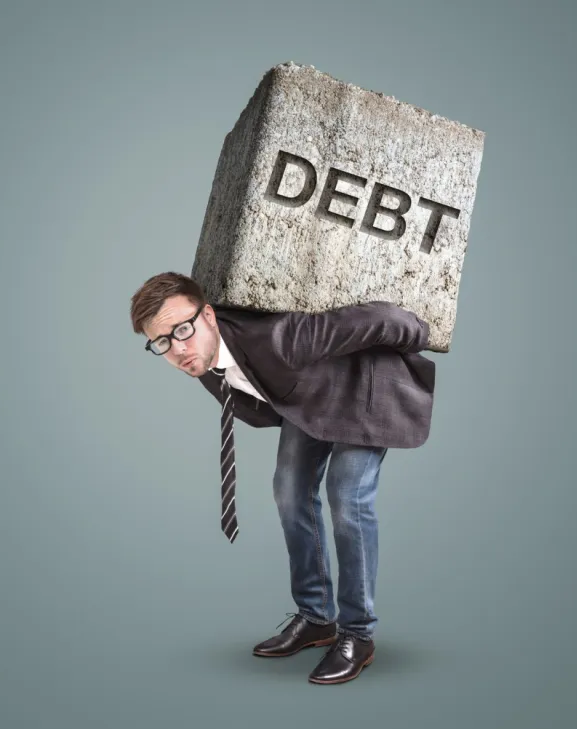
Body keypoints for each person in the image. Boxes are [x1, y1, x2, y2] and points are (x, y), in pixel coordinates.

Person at [130, 271, 434, 684]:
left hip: (364, 387)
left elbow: (378, 316)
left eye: (183, 329)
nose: (178, 348)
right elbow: (258, 401)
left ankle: (358, 634)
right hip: (309, 396)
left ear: (209, 316)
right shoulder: (200, 363)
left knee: (347, 498)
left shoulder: (280, 338)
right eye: (162, 342)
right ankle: (316, 617)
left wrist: (420, 333)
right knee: (289, 491)